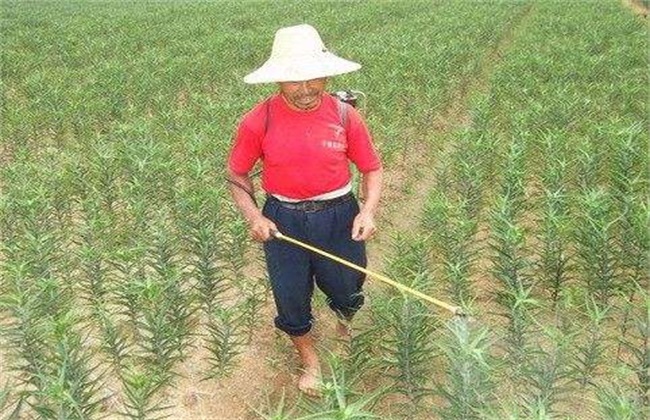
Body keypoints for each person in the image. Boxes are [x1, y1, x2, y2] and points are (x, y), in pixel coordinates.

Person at [226, 24, 383, 396]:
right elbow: (236, 173)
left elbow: (371, 168)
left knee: (347, 287)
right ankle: (310, 361)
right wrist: (254, 216)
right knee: (291, 297)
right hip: (284, 220)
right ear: (278, 80)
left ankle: (344, 322)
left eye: (315, 78)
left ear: (326, 74)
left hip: (340, 214)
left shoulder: (346, 116)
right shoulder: (258, 121)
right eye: (295, 81)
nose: (306, 89)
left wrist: (368, 211)